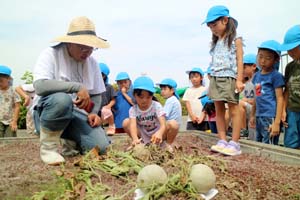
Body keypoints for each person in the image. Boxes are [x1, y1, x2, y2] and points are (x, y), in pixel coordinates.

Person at [33, 16, 111, 165]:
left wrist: (93, 112)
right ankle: (49, 148)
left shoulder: (92, 63)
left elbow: (96, 94)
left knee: (100, 147)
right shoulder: (51, 54)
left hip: (76, 116)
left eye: (91, 48)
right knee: (62, 99)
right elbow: (40, 86)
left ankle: (72, 141)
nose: (87, 52)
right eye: (82, 47)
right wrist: (76, 87)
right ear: (69, 42)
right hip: (48, 113)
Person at [203, 5, 244, 156]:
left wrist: (239, 80)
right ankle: (222, 140)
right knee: (218, 110)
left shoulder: (235, 39)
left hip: (230, 77)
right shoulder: (215, 42)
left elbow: (240, 60)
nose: (212, 28)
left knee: (233, 109)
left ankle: (235, 142)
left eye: (214, 25)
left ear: (225, 20)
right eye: (210, 26)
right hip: (215, 77)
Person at [249, 40, 284, 145]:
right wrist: (252, 115)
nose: (263, 61)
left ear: (276, 60)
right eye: (260, 56)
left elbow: (280, 98)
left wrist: (277, 122)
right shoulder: (256, 76)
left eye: (268, 58)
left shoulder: (276, 76)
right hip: (259, 115)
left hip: (270, 116)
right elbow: (257, 95)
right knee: (259, 143)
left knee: (269, 145)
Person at [124, 76, 169, 148]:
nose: (144, 100)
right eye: (141, 97)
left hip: (157, 134)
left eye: (148, 97)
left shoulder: (156, 106)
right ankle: (138, 143)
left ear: (152, 96)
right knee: (126, 122)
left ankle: (167, 144)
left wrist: (160, 133)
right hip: (143, 134)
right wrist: (135, 138)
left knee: (173, 124)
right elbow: (132, 126)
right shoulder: (133, 109)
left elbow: (163, 124)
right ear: (134, 95)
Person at [279, 25, 300, 149]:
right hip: (292, 111)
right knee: (291, 143)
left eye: (292, 49)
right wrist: (283, 110)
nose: (289, 52)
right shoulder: (290, 67)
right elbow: (286, 90)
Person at [157, 78, 182, 148]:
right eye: (161, 89)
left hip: (171, 127)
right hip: (175, 129)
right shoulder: (174, 99)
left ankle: (167, 145)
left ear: (172, 90)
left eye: (165, 89)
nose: (162, 91)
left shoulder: (170, 100)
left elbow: (163, 115)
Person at [238, 54, 257, 139]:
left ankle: (243, 130)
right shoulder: (245, 84)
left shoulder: (257, 80)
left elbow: (261, 98)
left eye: (244, 68)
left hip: (256, 109)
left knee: (240, 103)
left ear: (253, 66)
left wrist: (247, 101)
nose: (242, 70)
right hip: (250, 112)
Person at [0, 65, 21, 137]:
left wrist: (14, 121)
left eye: (1, 81)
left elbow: (17, 106)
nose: (0, 84)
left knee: (10, 141)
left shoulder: (13, 91)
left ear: (8, 79)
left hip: (10, 122)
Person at [98, 63, 117, 136]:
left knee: (105, 110)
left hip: (107, 110)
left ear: (105, 76)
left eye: (102, 75)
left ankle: (111, 126)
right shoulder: (92, 87)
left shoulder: (109, 87)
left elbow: (113, 100)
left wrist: (109, 106)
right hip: (96, 110)